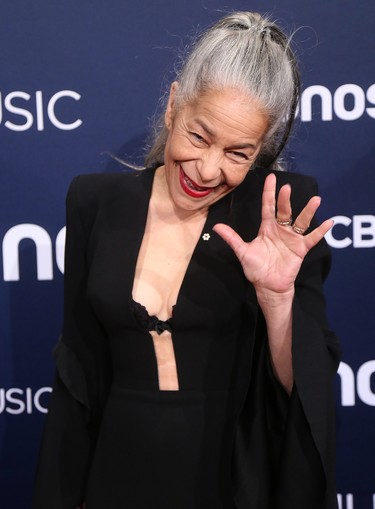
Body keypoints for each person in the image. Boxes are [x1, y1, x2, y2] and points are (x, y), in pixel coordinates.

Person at [33, 11, 340, 509]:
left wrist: (277, 298)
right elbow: (78, 373)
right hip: (114, 476)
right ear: (174, 105)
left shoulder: (281, 215)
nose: (208, 168)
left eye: (239, 153)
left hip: (233, 483)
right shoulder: (94, 202)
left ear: (262, 149)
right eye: (199, 136)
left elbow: (306, 389)